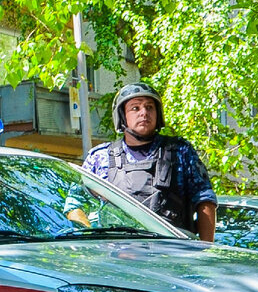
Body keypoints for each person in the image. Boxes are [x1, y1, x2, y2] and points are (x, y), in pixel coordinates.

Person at [70, 82, 217, 241]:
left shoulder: (181, 152)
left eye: (149, 107)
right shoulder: (100, 157)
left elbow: (205, 201)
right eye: (135, 108)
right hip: (117, 257)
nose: (144, 113)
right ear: (122, 116)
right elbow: (74, 203)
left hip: (173, 256)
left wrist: (206, 249)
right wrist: (92, 239)